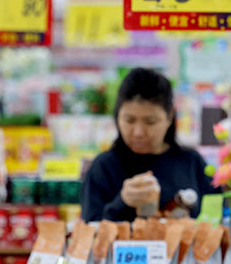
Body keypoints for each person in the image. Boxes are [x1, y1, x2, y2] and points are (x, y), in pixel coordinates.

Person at [81, 68, 215, 222]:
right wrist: (122, 202)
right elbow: (90, 229)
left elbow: (216, 218)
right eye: (129, 120)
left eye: (150, 122)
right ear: (117, 116)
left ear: (170, 116)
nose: (138, 132)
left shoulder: (191, 162)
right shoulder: (103, 167)